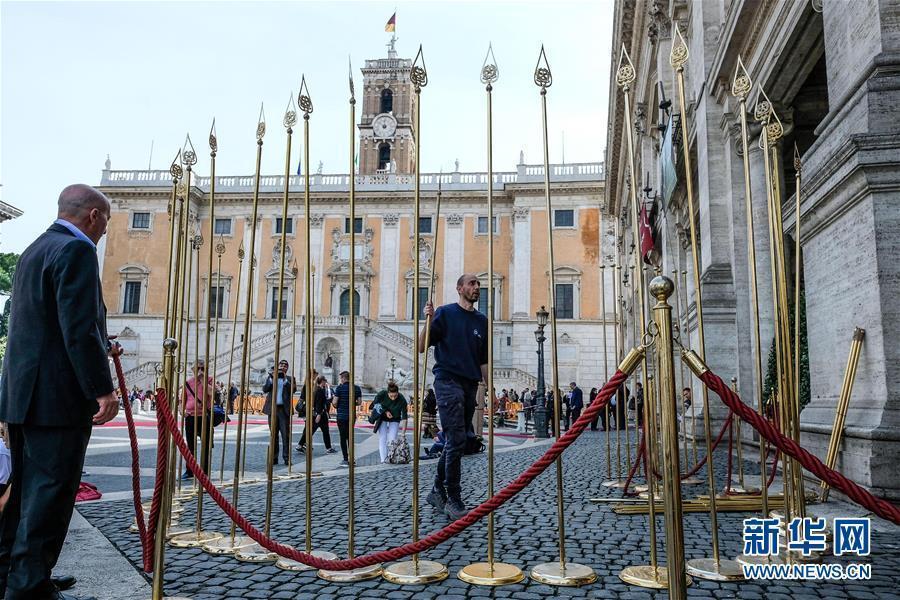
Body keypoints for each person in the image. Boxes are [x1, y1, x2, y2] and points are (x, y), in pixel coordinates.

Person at [0, 183, 119, 600]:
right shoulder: (78, 250)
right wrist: (102, 389)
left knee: (23, 493)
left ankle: (11, 573)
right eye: (106, 218)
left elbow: (36, 326)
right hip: (56, 399)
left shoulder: (35, 248)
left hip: (22, 396)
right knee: (50, 494)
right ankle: (28, 586)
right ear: (92, 215)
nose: (106, 228)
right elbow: (79, 329)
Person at [419, 273, 488, 521]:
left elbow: (483, 359)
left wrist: (487, 386)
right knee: (457, 439)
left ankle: (437, 490)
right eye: (472, 284)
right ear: (459, 288)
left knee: (458, 440)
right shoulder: (445, 313)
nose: (476, 288)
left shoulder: (482, 320)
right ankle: (453, 497)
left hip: (470, 384)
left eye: (478, 284)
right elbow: (421, 345)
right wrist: (427, 319)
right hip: (447, 380)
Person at [182, 360, 215, 479]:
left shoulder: (210, 380)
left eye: (203, 368)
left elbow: (211, 392)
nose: (200, 371)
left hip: (204, 417)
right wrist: (182, 411)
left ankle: (204, 471)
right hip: (190, 417)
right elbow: (183, 399)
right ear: (193, 369)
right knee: (190, 445)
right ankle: (190, 470)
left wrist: (202, 379)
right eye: (198, 368)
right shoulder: (187, 382)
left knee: (205, 445)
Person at [262, 359, 295, 466]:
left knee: (286, 436)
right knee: (273, 435)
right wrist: (272, 378)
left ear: (287, 368)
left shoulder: (290, 379)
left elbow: (293, 390)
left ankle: (286, 458)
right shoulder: (271, 377)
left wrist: (285, 379)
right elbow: (265, 389)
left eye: (285, 366)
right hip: (272, 409)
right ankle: (274, 458)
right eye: (281, 365)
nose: (283, 367)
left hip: (283, 410)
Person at [297, 376, 336, 455]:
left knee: (312, 431)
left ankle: (300, 445)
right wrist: (319, 414)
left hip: (318, 414)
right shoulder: (320, 390)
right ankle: (328, 448)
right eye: (325, 381)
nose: (326, 383)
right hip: (320, 415)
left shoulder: (317, 390)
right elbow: (319, 403)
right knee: (322, 432)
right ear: (322, 381)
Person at [372, 382, 408, 463]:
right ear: (388, 393)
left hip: (395, 418)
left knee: (392, 439)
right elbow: (375, 403)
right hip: (382, 417)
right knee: (383, 438)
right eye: (391, 396)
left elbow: (405, 418)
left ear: (398, 393)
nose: (393, 398)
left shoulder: (402, 399)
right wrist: (385, 412)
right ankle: (383, 460)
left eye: (395, 396)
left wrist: (403, 433)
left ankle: (391, 457)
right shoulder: (382, 394)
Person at [332, 370, 362, 466]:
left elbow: (335, 402)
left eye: (341, 378)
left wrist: (336, 405)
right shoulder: (356, 388)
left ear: (344, 378)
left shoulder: (339, 388)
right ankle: (352, 458)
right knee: (350, 437)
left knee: (342, 437)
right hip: (351, 415)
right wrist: (353, 403)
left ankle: (345, 459)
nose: (340, 380)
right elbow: (359, 402)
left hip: (341, 415)